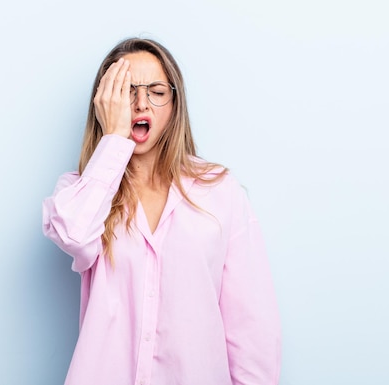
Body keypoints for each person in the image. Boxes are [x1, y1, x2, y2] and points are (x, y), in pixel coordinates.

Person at [43, 37, 281, 385]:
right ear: (106, 103)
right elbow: (74, 236)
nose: (141, 104)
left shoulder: (219, 190)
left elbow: (252, 328)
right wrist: (114, 140)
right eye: (126, 90)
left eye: (156, 91)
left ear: (174, 104)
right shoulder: (80, 191)